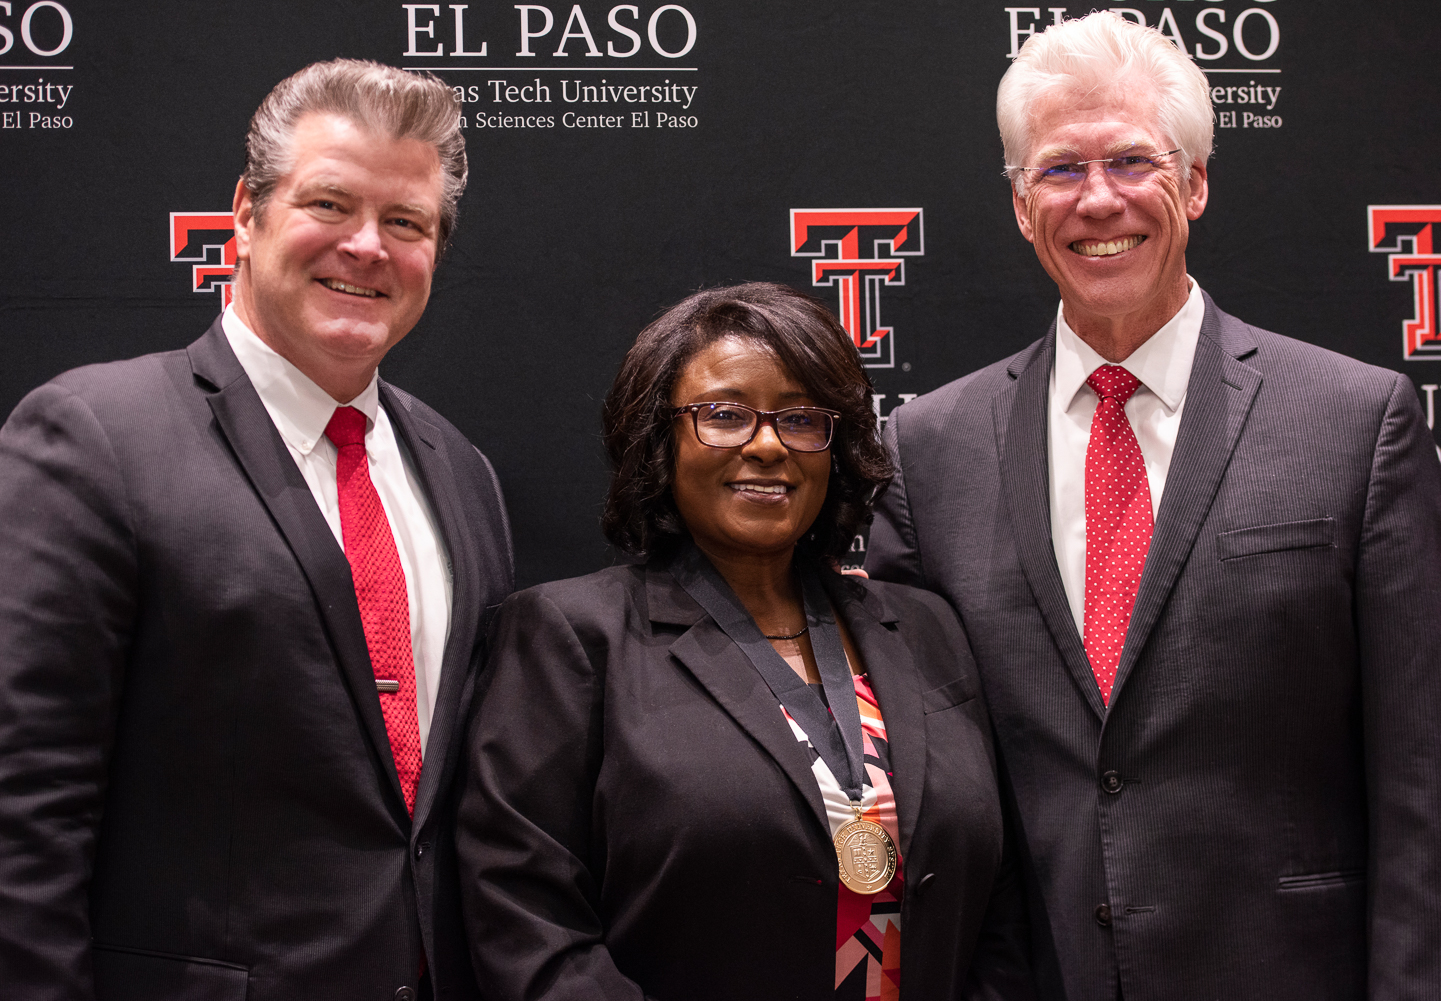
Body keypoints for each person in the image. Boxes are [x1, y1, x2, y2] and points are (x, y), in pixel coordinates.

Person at [864, 12, 1441, 1000]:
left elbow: (1432, 793)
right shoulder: (928, 451)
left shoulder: (1352, 421)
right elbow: (922, 783)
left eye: (1132, 160)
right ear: (1022, 206)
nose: (1099, 199)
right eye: (1061, 170)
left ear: (1196, 182)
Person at [0, 60, 514, 999]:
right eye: (330, 204)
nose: (367, 246)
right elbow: (23, 811)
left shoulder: (460, 471)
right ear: (246, 210)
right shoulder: (95, 436)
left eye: (406, 223)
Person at [458, 283, 1033, 1000]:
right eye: (724, 415)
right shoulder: (572, 639)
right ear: (658, 439)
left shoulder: (926, 629)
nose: (767, 445)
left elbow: (1001, 901)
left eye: (800, 418)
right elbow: (526, 919)